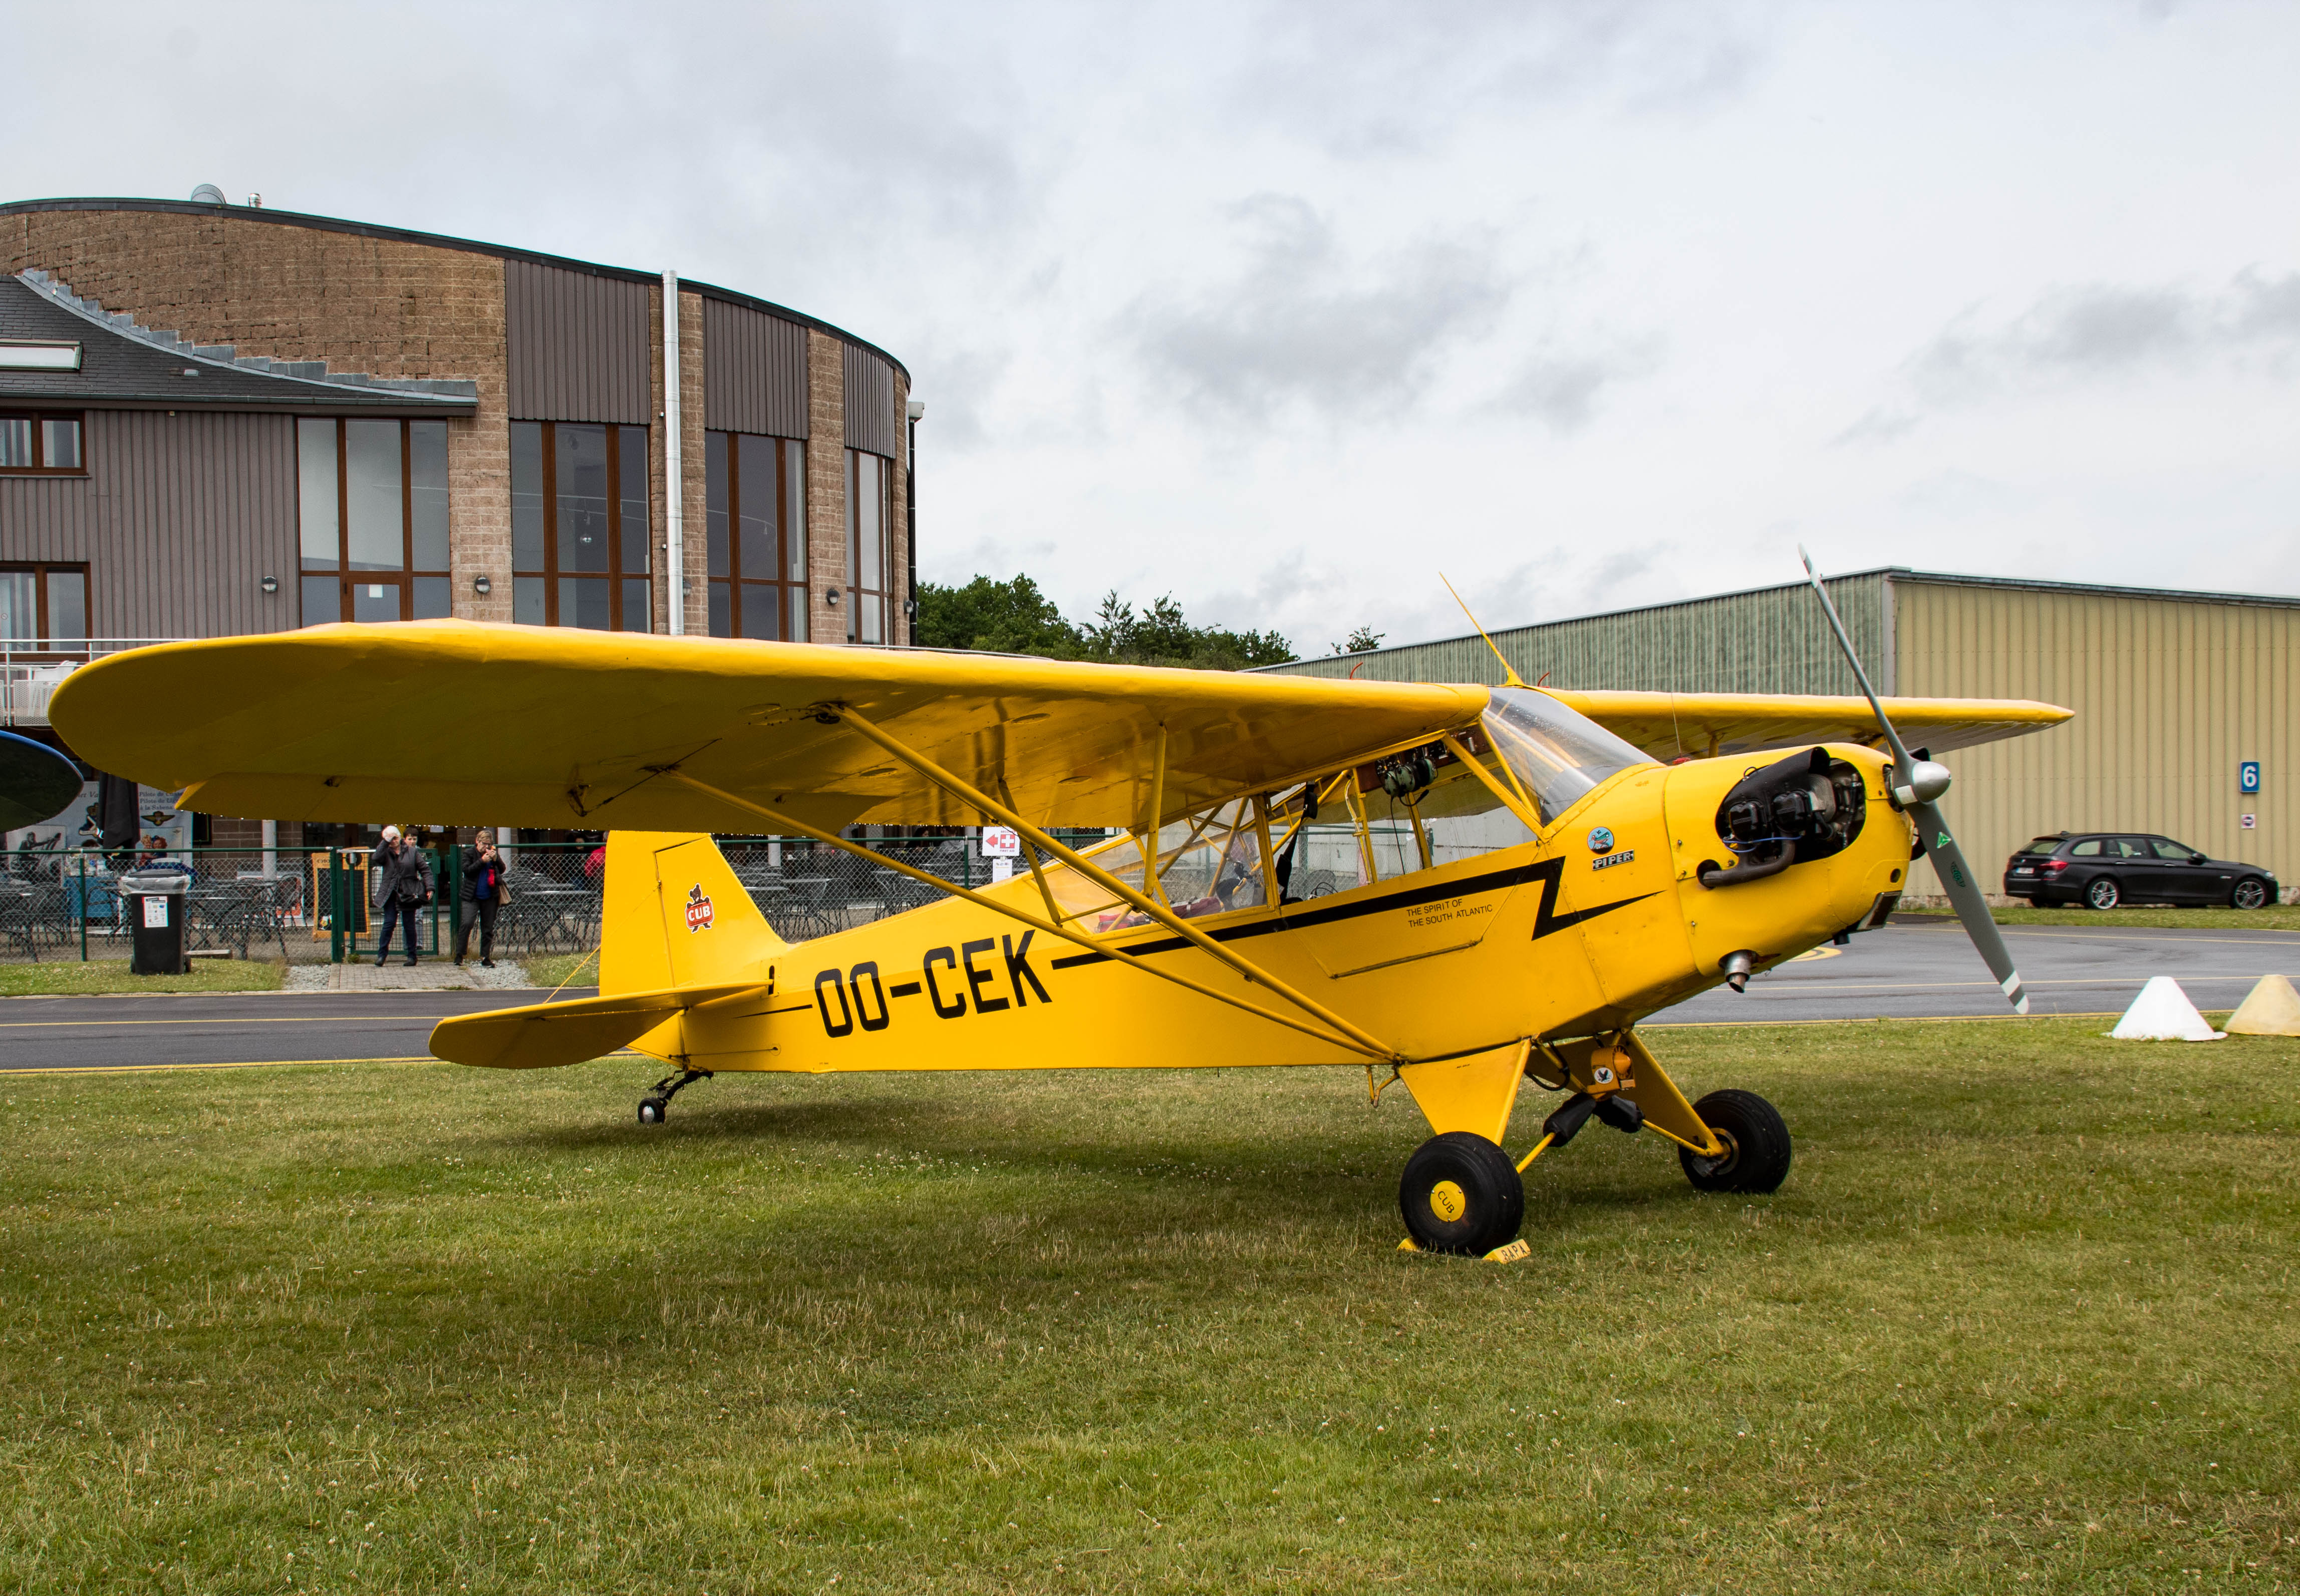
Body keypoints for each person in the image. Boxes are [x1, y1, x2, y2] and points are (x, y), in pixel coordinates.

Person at [371, 825, 432, 967]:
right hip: (390, 892)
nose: (393, 841)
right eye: (390, 839)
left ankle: (412, 956)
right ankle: (381, 955)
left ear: (400, 837)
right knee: (389, 923)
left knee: (409, 925)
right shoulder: (386, 852)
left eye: (395, 838)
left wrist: (430, 887)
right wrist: (385, 842)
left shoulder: (412, 852)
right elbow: (376, 857)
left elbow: (425, 870)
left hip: (408, 892)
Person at [456, 829, 510, 968]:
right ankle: (460, 954)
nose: (486, 847)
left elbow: (503, 869)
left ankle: (486, 957)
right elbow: (467, 870)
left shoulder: (492, 854)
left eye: (488, 845)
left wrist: (496, 859)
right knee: (467, 923)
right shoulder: (469, 854)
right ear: (477, 841)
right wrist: (482, 861)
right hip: (471, 896)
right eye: (484, 844)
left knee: (488, 928)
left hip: (490, 896)